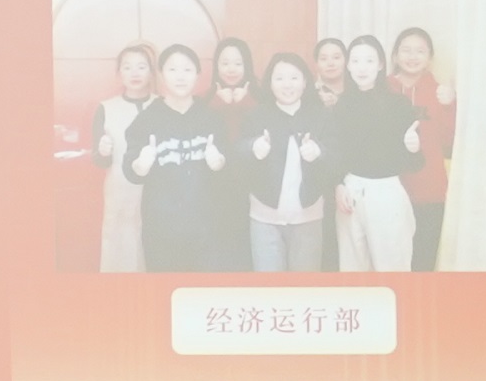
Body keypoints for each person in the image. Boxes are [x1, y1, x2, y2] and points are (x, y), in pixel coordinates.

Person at [124, 49, 243, 272]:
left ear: (198, 75)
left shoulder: (211, 118)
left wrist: (220, 163)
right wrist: (140, 166)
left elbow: (230, 167)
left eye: (187, 70)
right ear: (161, 75)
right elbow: (130, 169)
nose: (180, 76)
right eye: (173, 70)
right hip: (161, 230)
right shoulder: (147, 119)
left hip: (207, 230)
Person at [237, 51, 336, 274]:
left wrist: (318, 152)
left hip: (308, 215)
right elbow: (238, 153)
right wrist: (254, 147)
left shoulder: (320, 115)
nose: (287, 84)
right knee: (269, 285)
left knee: (305, 285)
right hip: (265, 217)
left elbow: (336, 156)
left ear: (305, 82)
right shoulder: (256, 116)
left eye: (294, 77)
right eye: (279, 78)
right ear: (270, 83)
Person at [334, 31, 421, 272]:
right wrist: (338, 184)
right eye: (355, 61)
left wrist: (413, 147)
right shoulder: (342, 104)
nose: (362, 68)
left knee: (392, 267)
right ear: (348, 66)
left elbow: (415, 163)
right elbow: (337, 151)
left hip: (386, 191)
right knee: (351, 268)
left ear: (381, 65)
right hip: (350, 191)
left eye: (369, 60)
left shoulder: (398, 104)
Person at [394, 26, 457, 266]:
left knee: (423, 263)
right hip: (391, 191)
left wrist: (450, 106)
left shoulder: (440, 92)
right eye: (406, 50)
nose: (412, 57)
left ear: (430, 58)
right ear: (395, 56)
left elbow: (450, 142)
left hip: (430, 193)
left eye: (420, 51)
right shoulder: (383, 89)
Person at [94, 42, 153, 275]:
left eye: (141, 66)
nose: (135, 73)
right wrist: (103, 152)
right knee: (120, 254)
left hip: (157, 193)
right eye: (127, 67)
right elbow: (99, 161)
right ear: (119, 73)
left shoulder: (161, 104)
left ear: (151, 71)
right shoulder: (106, 108)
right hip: (120, 191)